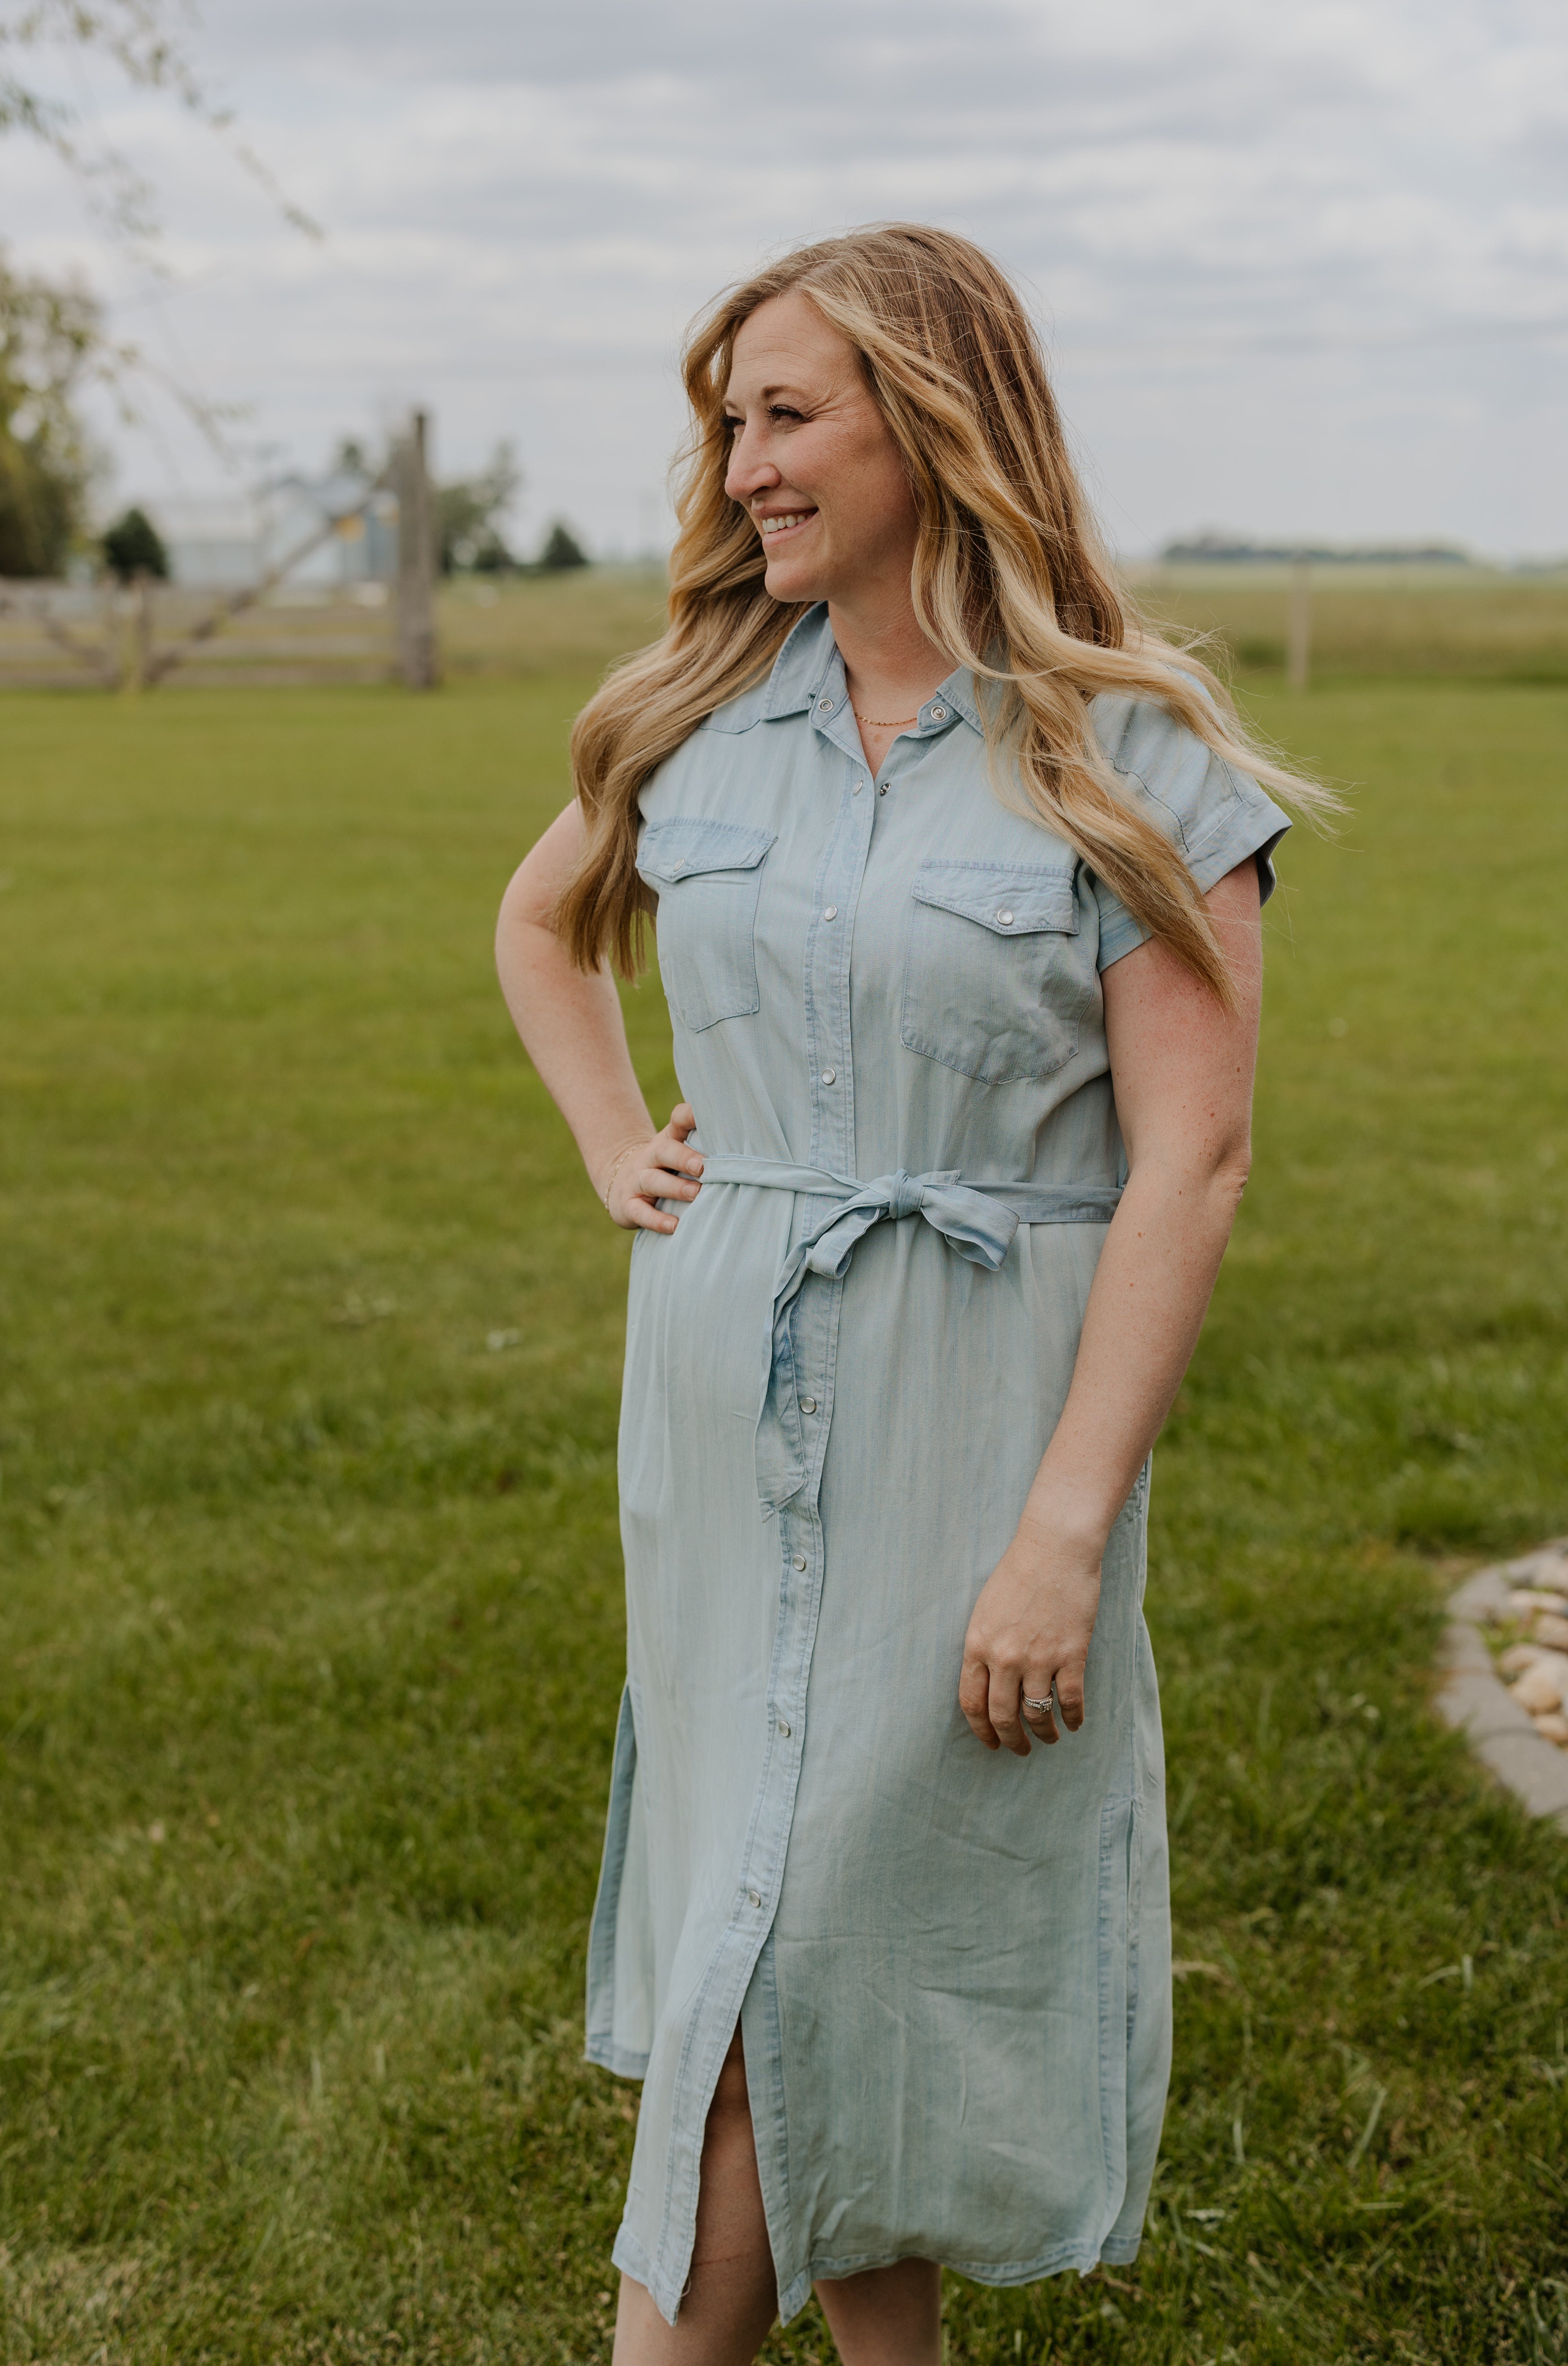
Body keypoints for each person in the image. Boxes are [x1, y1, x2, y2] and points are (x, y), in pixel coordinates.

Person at [496, 224, 1323, 2366]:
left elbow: (1192, 1161)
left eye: (787, 415)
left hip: (974, 1433)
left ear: (931, 423)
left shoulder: (1127, 757)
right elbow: (538, 924)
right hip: (716, 1418)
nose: (743, 467)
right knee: (783, 1947)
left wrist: (1061, 1530)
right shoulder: (700, 715)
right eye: (729, 425)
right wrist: (613, 1138)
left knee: (796, 1973)